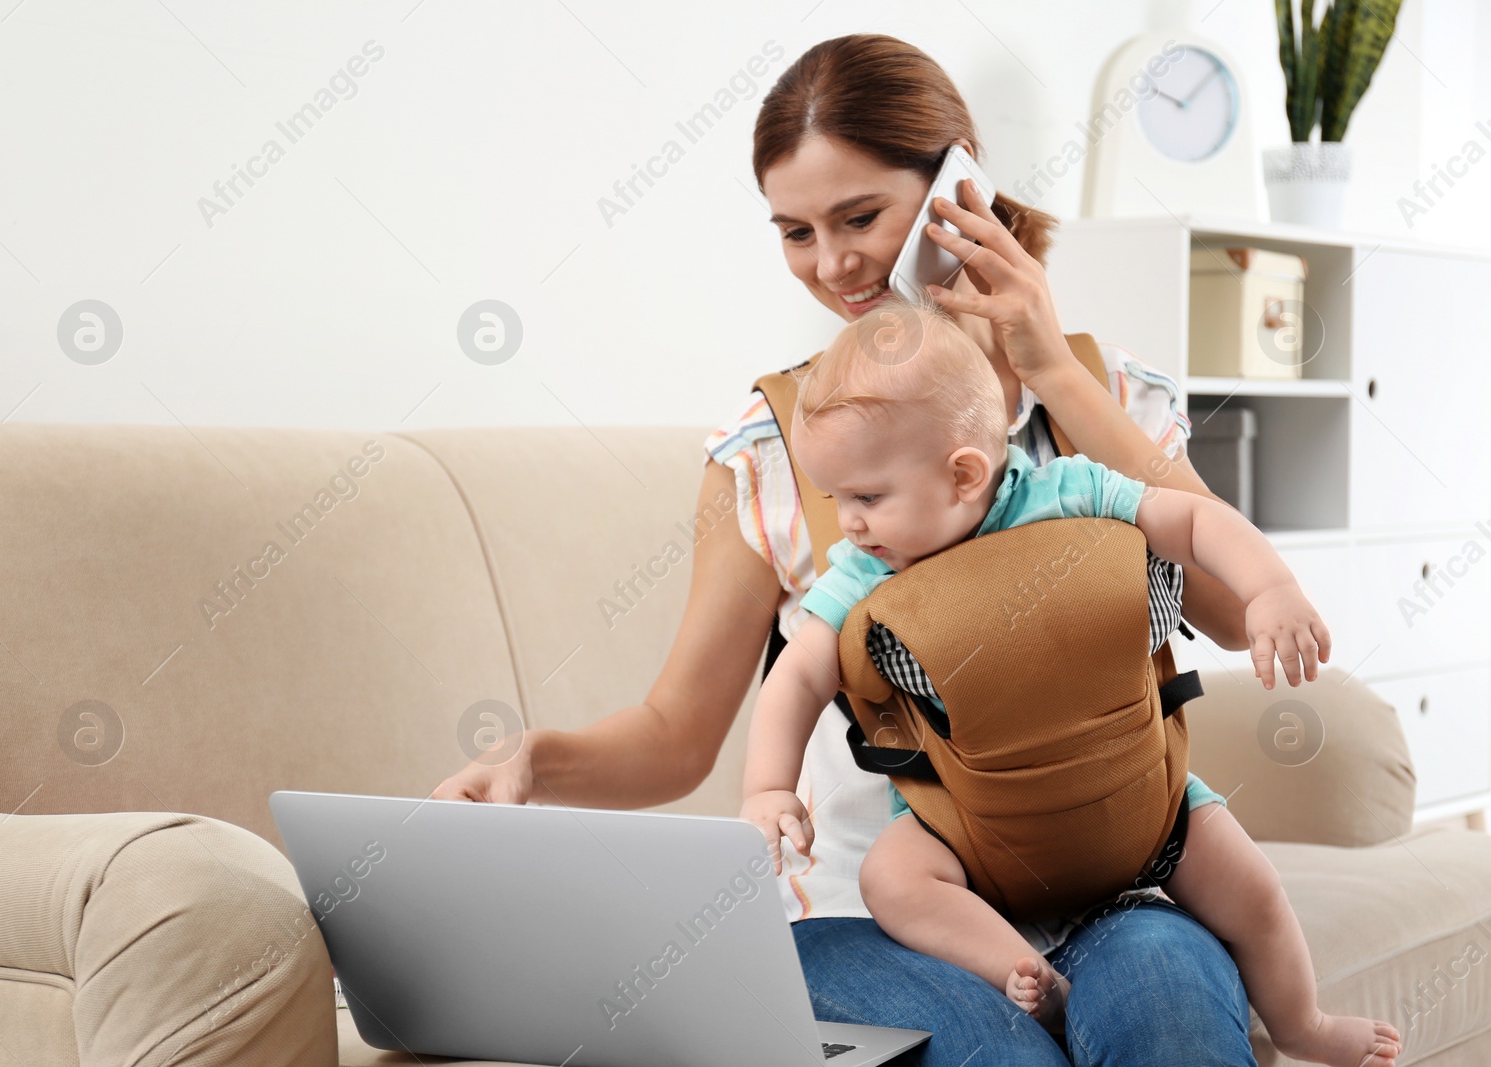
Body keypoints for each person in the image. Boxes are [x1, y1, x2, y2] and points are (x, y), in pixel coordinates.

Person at [436, 33, 1268, 1065]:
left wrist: (1050, 368)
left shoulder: (1104, 398)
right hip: (879, 909)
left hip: (1118, 879)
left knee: (1173, 1030)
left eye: (859, 217)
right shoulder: (776, 446)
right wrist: (535, 759)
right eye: (794, 230)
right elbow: (679, 730)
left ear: (955, 188)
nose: (830, 265)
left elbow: (1233, 615)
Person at [739, 296, 1402, 1066]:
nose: (849, 524)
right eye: (835, 501)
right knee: (895, 878)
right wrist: (766, 787)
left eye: (868, 497)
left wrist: (1271, 588)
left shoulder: (1067, 493)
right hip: (965, 828)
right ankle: (1023, 970)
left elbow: (1193, 521)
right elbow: (797, 676)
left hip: (1138, 810)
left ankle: (1304, 1023)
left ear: (963, 473)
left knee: (1250, 886)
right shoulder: (863, 573)